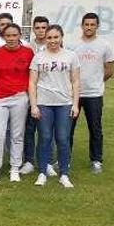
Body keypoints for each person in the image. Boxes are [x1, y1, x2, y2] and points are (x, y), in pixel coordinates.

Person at [29, 25, 80, 188]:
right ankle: (42, 172)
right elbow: (32, 82)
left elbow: (76, 81)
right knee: (44, 138)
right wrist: (34, 105)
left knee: (63, 139)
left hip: (64, 104)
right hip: (44, 103)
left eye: (56, 37)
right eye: (49, 37)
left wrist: (75, 104)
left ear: (61, 37)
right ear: (45, 39)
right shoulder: (38, 57)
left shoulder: (71, 56)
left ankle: (64, 174)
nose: (52, 41)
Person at [0, 23, 34, 182]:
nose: (11, 38)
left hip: (20, 97)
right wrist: (1, 86)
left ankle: (15, 168)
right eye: (8, 36)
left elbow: (31, 75)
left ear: (20, 35)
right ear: (3, 37)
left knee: (17, 134)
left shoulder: (28, 53)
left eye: (14, 35)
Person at [69, 12, 114, 174]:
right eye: (86, 24)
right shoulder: (72, 45)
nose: (89, 27)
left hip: (94, 94)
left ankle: (96, 160)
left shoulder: (105, 45)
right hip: (73, 94)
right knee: (67, 128)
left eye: (92, 25)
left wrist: (96, 82)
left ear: (97, 26)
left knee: (95, 128)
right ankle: (64, 159)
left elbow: (110, 70)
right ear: (82, 26)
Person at [20, 16, 50, 175]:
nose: (41, 31)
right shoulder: (27, 47)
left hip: (48, 94)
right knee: (29, 129)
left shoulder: (54, 45)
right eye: (37, 28)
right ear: (33, 29)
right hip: (30, 93)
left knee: (47, 130)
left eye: (43, 27)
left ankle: (48, 161)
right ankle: (29, 161)